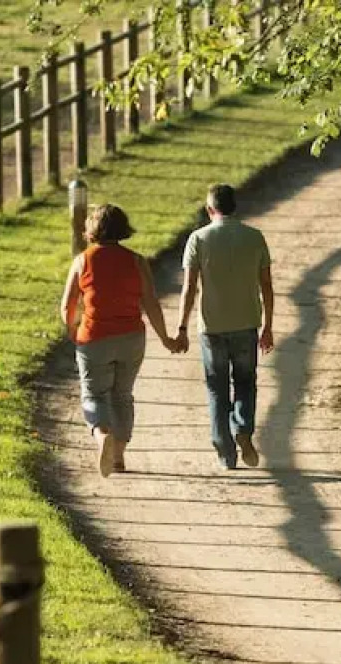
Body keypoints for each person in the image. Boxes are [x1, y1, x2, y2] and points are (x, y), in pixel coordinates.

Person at [60, 203, 177, 477]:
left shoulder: (82, 261)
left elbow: (68, 305)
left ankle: (103, 436)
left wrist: (72, 328)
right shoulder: (137, 261)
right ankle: (119, 457)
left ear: (90, 231)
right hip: (131, 337)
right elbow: (151, 303)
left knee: (95, 394)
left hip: (94, 337)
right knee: (122, 395)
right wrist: (166, 339)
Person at [175, 183, 274, 470]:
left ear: (210, 210)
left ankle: (224, 449)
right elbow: (266, 285)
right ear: (234, 207)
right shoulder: (255, 238)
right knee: (245, 382)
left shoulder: (198, 239)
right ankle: (242, 429)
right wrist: (268, 326)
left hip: (212, 326)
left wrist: (181, 327)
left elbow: (190, 287)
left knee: (217, 388)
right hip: (246, 322)